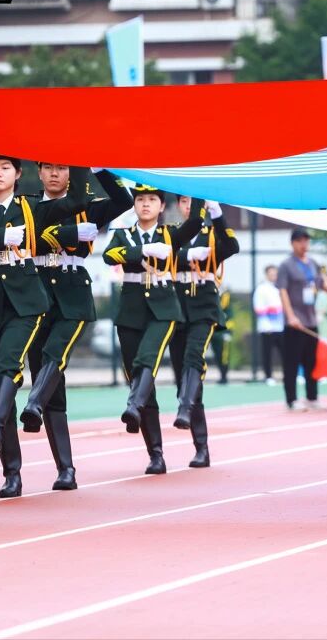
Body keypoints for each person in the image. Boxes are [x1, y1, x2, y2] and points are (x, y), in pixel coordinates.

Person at [0, 151, 86, 498]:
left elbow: (76, 201)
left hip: (25, 302)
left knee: (8, 365)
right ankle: (11, 471)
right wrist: (0, 238)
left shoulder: (32, 208)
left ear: (19, 173)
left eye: (6, 167)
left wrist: (80, 154)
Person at [19, 164, 132, 491]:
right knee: (48, 376)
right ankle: (65, 469)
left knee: (56, 352)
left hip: (73, 291)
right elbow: (27, 236)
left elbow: (123, 200)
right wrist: (66, 235)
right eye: (48, 167)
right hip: (37, 289)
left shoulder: (87, 206)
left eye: (62, 167)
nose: (54, 173)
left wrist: (97, 168)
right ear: (39, 172)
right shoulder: (27, 206)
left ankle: (33, 402)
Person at [103, 186, 204, 474]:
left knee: (146, 358)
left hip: (164, 309)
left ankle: (133, 404)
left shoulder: (169, 234)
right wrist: (143, 250)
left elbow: (195, 222)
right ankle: (155, 454)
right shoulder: (123, 235)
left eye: (152, 200)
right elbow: (110, 256)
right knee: (138, 376)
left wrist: (198, 186)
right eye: (140, 199)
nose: (145, 204)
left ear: (161, 206)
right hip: (131, 311)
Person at [167, 194, 239, 469]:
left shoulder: (211, 234)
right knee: (182, 374)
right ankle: (201, 447)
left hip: (204, 308)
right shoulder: (172, 233)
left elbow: (231, 246)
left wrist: (217, 213)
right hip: (177, 307)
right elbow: (163, 254)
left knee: (193, 358)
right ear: (178, 205)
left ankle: (186, 410)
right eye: (184, 202)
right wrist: (187, 255)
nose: (189, 206)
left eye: (193, 202)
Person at [276, 229, 327, 412]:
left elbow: (322, 283)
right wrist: (290, 316)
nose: (304, 245)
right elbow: (282, 291)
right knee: (292, 362)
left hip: (311, 320)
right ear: (293, 243)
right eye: (300, 241)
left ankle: (312, 397)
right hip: (295, 323)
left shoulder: (313, 264)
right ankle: (291, 400)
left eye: (306, 241)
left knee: (312, 362)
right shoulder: (286, 265)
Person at [252, 265, 284, 385]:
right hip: (267, 328)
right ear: (266, 274)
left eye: (275, 274)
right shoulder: (261, 289)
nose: (274, 276)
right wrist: (272, 310)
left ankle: (289, 374)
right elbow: (258, 308)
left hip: (280, 327)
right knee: (267, 353)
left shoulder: (279, 287)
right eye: (271, 274)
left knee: (286, 352)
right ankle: (268, 376)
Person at [209, 289, 235, 385]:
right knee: (216, 355)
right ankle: (222, 374)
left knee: (224, 356)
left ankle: (224, 376)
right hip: (213, 332)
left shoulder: (225, 296)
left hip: (223, 332)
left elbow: (230, 318)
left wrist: (228, 332)